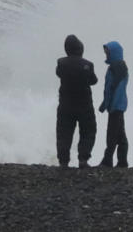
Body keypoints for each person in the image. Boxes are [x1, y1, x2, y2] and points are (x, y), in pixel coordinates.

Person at [55, 34, 98, 167]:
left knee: (64, 132)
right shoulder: (88, 64)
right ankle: (83, 159)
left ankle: (63, 161)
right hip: (84, 104)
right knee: (88, 130)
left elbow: (58, 73)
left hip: (65, 104)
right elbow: (93, 80)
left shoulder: (61, 63)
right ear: (80, 48)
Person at [98, 40, 129, 167]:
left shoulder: (117, 67)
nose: (106, 55)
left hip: (115, 106)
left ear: (114, 53)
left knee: (112, 134)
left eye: (107, 52)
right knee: (120, 134)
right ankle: (122, 161)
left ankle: (107, 160)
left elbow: (113, 88)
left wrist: (107, 104)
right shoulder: (119, 66)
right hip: (118, 106)